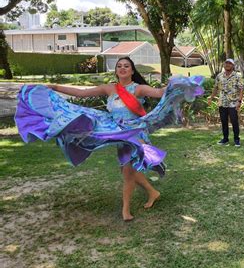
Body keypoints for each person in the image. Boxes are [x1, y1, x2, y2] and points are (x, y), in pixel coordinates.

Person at [15, 57, 204, 221]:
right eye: (119, 66)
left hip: (134, 133)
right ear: (116, 70)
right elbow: (82, 93)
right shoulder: (109, 88)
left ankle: (126, 211)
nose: (122, 68)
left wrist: (176, 83)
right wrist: (55, 87)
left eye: (126, 66)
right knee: (127, 170)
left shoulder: (138, 89)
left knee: (128, 173)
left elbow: (159, 93)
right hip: (117, 133)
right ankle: (152, 192)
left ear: (132, 71)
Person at [208, 58, 244, 147]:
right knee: (224, 121)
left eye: (230, 63)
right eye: (226, 63)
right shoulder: (219, 76)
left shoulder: (237, 76)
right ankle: (225, 138)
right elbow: (215, 87)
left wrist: (239, 101)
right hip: (222, 101)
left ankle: (236, 139)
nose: (227, 65)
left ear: (233, 65)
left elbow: (241, 89)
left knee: (234, 121)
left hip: (233, 102)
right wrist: (211, 97)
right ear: (224, 65)